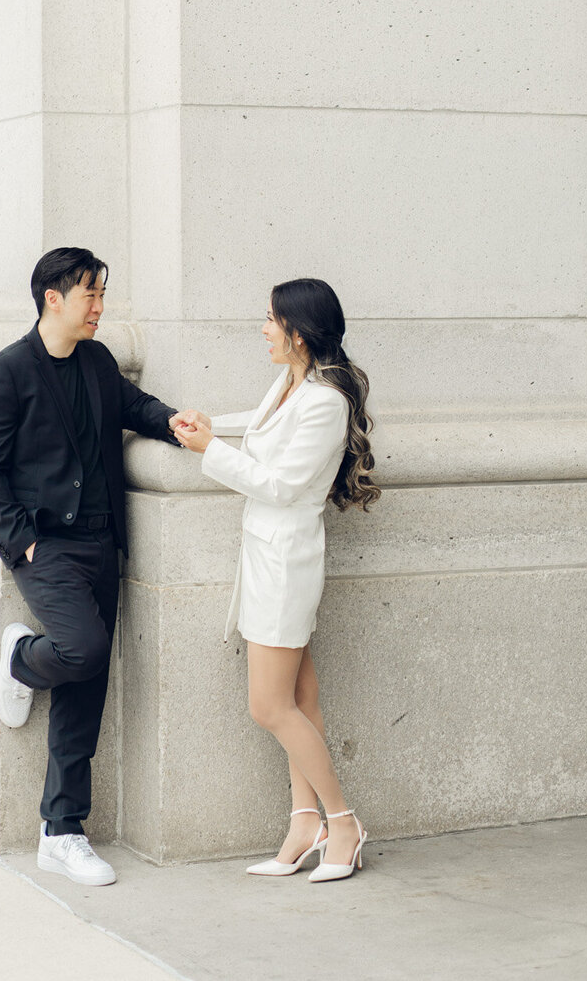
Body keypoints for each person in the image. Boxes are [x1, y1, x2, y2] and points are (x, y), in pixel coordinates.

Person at [0, 247, 188, 887]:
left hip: (102, 543)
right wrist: (22, 544)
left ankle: (61, 831)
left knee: (86, 687)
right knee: (83, 650)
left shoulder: (96, 361)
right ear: (52, 299)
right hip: (46, 547)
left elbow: (133, 406)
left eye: (102, 295)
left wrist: (177, 424)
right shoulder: (3, 373)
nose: (99, 307)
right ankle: (19, 658)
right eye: (89, 295)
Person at [173, 277, 380, 884]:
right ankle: (303, 821)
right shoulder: (292, 384)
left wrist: (210, 449)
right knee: (300, 699)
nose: (262, 328)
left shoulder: (325, 401)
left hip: (286, 563)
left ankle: (341, 823)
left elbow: (285, 486)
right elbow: (263, 424)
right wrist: (215, 424)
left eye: (270, 319)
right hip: (266, 558)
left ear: (298, 330)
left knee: (268, 706)